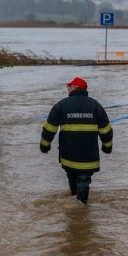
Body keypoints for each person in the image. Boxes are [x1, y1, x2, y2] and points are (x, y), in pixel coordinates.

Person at [40, 76, 113, 204]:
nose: (67, 89)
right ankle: (81, 207)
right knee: (84, 179)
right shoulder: (95, 106)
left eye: (69, 86)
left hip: (68, 154)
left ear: (75, 88)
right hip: (88, 155)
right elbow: (106, 130)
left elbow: (49, 129)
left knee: (72, 175)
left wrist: (44, 146)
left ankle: (77, 206)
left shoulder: (61, 105)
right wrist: (107, 147)